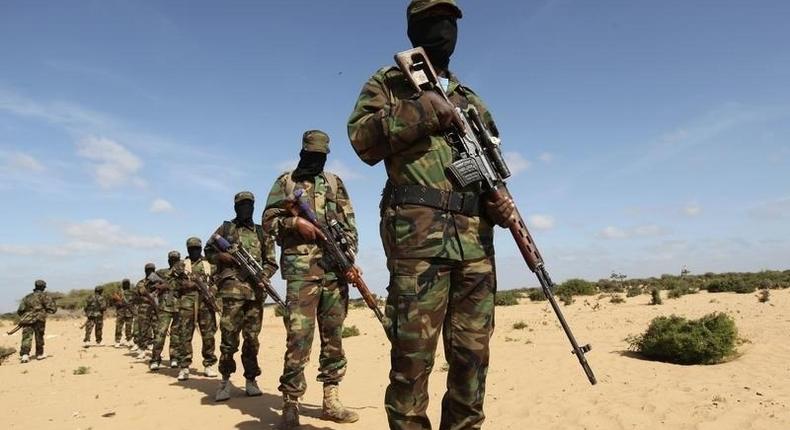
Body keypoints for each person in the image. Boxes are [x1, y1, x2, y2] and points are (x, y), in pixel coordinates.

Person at [347, 1, 514, 428]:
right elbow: (362, 142)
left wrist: (500, 204)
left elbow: (491, 166)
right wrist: (423, 110)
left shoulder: (471, 100)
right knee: (411, 363)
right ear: (411, 31)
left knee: (471, 363)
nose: (443, 31)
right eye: (430, 23)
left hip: (476, 242)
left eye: (450, 22)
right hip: (417, 242)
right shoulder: (387, 84)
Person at [263, 130, 359, 427]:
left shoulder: (334, 183)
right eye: (311, 155)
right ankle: (291, 403)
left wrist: (350, 259)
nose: (316, 160)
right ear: (303, 151)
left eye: (321, 156)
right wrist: (296, 223)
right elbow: (268, 221)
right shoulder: (286, 182)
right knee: (299, 338)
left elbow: (349, 224)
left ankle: (330, 399)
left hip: (334, 271)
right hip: (301, 274)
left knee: (333, 339)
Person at [204, 191, 278, 401]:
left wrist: (262, 275)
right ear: (235, 207)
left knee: (252, 340)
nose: (246, 208)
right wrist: (223, 256)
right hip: (232, 294)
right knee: (228, 339)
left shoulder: (262, 232)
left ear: (254, 207)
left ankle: (251, 380)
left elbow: (272, 262)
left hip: (255, 295)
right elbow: (208, 251)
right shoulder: (226, 229)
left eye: (249, 205)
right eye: (241, 205)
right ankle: (225, 381)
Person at [176, 236, 219, 381]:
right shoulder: (181, 265)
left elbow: (218, 280)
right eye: (191, 249)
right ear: (187, 249)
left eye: (196, 248)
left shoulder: (209, 264)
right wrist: (185, 285)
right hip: (187, 305)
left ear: (200, 249)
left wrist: (212, 290)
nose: (194, 251)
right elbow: (171, 284)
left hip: (206, 304)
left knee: (208, 335)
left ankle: (209, 364)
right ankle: (184, 366)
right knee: (185, 335)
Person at [150, 251, 183, 371]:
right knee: (160, 334)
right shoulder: (161, 273)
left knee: (176, 334)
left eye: (176, 259)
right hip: (164, 307)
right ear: (168, 260)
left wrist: (169, 286)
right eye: (172, 259)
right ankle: (155, 359)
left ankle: (174, 358)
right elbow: (149, 284)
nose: (174, 261)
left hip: (179, 307)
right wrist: (158, 287)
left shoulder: (183, 273)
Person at [17, 280, 58, 363]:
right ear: (43, 287)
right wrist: (44, 312)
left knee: (26, 337)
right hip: (40, 319)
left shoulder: (27, 297)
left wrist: (26, 316)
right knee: (39, 336)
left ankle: (25, 355)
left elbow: (20, 310)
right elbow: (53, 309)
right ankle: (39, 354)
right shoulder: (45, 296)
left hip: (27, 320)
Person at [134, 263, 158, 358]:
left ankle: (156, 352)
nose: (150, 272)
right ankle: (142, 349)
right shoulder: (141, 283)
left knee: (157, 331)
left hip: (156, 308)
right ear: (145, 271)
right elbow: (138, 295)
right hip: (144, 309)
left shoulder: (159, 282)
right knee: (143, 330)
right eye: (148, 270)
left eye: (152, 270)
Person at [113, 279, 135, 348]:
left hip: (127, 312)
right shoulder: (119, 293)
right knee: (121, 327)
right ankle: (119, 341)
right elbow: (115, 302)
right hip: (123, 312)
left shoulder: (132, 293)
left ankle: (127, 340)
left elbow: (135, 302)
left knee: (126, 327)